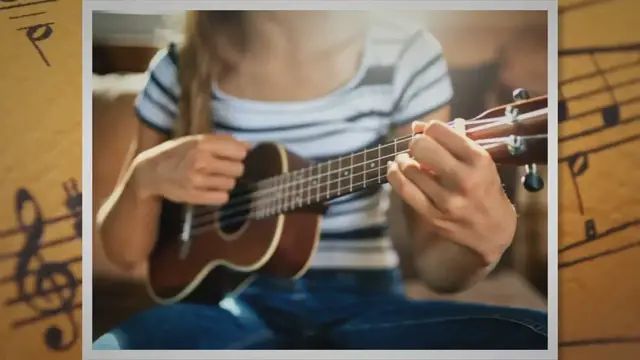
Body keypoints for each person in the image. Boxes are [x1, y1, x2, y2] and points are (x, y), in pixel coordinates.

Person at [93, 10, 547, 350]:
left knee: (537, 336)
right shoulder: (179, 67)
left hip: (366, 303)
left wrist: (480, 245)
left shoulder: (406, 55)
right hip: (224, 305)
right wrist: (142, 179)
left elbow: (437, 269)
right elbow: (125, 251)